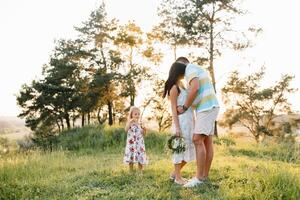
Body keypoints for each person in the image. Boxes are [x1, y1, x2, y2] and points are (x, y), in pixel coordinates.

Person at [175, 57, 220, 187]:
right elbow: (196, 92)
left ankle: (198, 178)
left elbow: (195, 88)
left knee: (197, 140)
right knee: (207, 142)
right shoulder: (196, 70)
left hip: (206, 107)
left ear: (182, 63)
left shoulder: (190, 68)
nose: (181, 75)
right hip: (209, 106)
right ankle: (204, 176)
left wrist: (184, 107)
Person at [163, 62, 195, 185]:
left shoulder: (182, 84)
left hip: (188, 120)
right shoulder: (174, 88)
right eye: (184, 72)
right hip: (180, 123)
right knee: (179, 150)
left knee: (189, 148)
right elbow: (173, 109)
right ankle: (177, 178)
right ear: (179, 72)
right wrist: (177, 128)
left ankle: (174, 174)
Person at [123, 106, 148, 172]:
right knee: (131, 154)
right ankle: (131, 170)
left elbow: (143, 134)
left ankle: (140, 170)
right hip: (132, 143)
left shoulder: (140, 123)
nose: (137, 115)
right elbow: (126, 130)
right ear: (131, 115)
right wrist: (129, 122)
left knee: (140, 155)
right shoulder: (130, 122)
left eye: (138, 114)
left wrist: (144, 130)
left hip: (139, 143)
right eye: (135, 114)